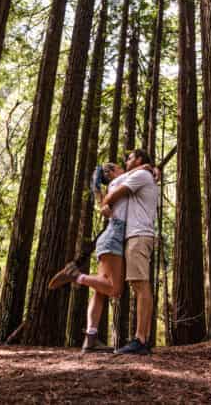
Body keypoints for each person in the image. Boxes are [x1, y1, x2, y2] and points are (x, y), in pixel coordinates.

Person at [47, 162, 130, 352]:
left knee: (100, 290)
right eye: (118, 166)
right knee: (114, 290)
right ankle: (76, 276)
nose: (123, 168)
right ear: (110, 173)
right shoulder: (119, 181)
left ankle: (90, 339)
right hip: (113, 237)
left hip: (109, 238)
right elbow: (139, 171)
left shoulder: (113, 185)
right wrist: (149, 168)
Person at [105, 148, 159, 356]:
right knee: (139, 284)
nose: (125, 162)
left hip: (139, 234)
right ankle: (141, 339)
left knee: (140, 284)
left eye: (129, 158)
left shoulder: (142, 174)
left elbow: (114, 193)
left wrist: (105, 201)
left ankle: (141, 339)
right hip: (137, 234)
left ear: (138, 160)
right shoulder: (144, 173)